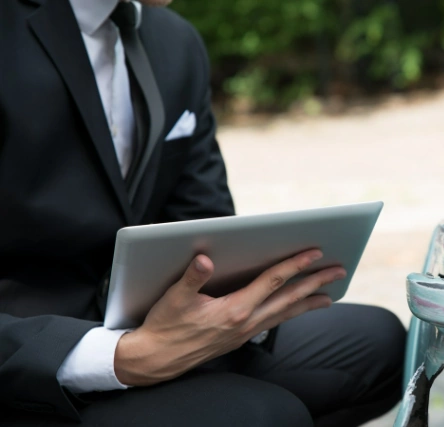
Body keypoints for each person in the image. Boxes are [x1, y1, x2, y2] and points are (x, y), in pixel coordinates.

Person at [0, 0, 406, 425]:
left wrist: (240, 308)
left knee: (379, 344)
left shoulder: (174, 41)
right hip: (31, 356)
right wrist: (121, 358)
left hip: (140, 320)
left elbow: (203, 218)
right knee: (266, 415)